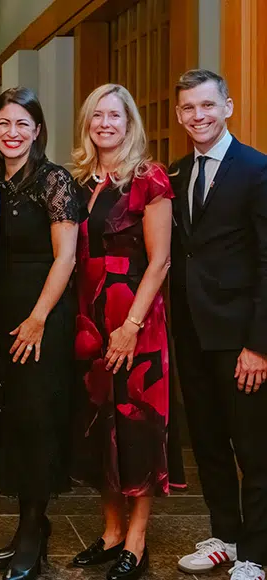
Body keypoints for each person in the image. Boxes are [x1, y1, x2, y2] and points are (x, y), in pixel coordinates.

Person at [70, 84, 174, 580]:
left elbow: (160, 262)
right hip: (91, 321)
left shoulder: (149, 178)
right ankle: (110, 532)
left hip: (136, 319)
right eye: (97, 115)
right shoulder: (82, 180)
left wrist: (131, 326)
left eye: (115, 115)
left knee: (135, 429)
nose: (105, 123)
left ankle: (137, 538)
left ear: (130, 122)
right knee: (100, 428)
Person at [169, 69, 267, 580]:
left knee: (253, 449)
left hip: (240, 338)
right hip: (192, 335)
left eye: (207, 105)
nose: (198, 116)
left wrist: (259, 344)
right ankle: (225, 537)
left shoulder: (257, 170)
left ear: (228, 106)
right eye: (188, 108)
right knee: (207, 442)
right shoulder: (178, 172)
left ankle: (256, 553)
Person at [0, 87, 79, 580]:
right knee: (15, 420)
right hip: (1, 313)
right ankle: (29, 523)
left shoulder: (54, 180)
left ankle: (32, 531)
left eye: (22, 123)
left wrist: (39, 317)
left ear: (38, 130)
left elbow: (66, 255)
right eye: (3, 123)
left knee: (38, 419)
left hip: (42, 316)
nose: (12, 132)